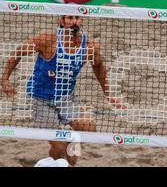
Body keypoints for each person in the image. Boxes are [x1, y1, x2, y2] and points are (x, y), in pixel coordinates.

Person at [1, 15, 126, 166]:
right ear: (62, 22)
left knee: (89, 128)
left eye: (77, 18)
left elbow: (98, 66)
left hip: (66, 98)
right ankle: (56, 157)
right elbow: (17, 53)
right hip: (41, 99)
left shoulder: (89, 47)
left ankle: (64, 152)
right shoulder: (47, 41)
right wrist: (5, 79)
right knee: (61, 149)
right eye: (70, 18)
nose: (74, 21)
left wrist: (108, 93)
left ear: (81, 21)